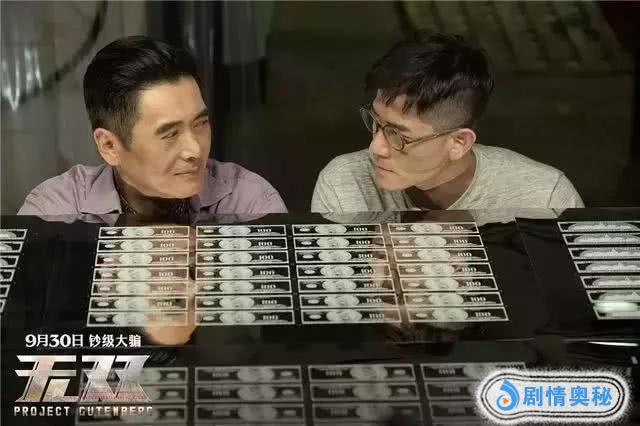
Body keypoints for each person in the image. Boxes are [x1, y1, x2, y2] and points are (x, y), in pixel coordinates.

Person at [311, 33, 584, 212]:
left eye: (398, 135)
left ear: (458, 143)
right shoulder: (344, 184)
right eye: (376, 122)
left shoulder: (545, 200)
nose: (376, 147)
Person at [18, 36, 287, 216]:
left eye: (201, 123)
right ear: (109, 146)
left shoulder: (247, 201)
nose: (195, 150)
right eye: (170, 134)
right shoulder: (58, 211)